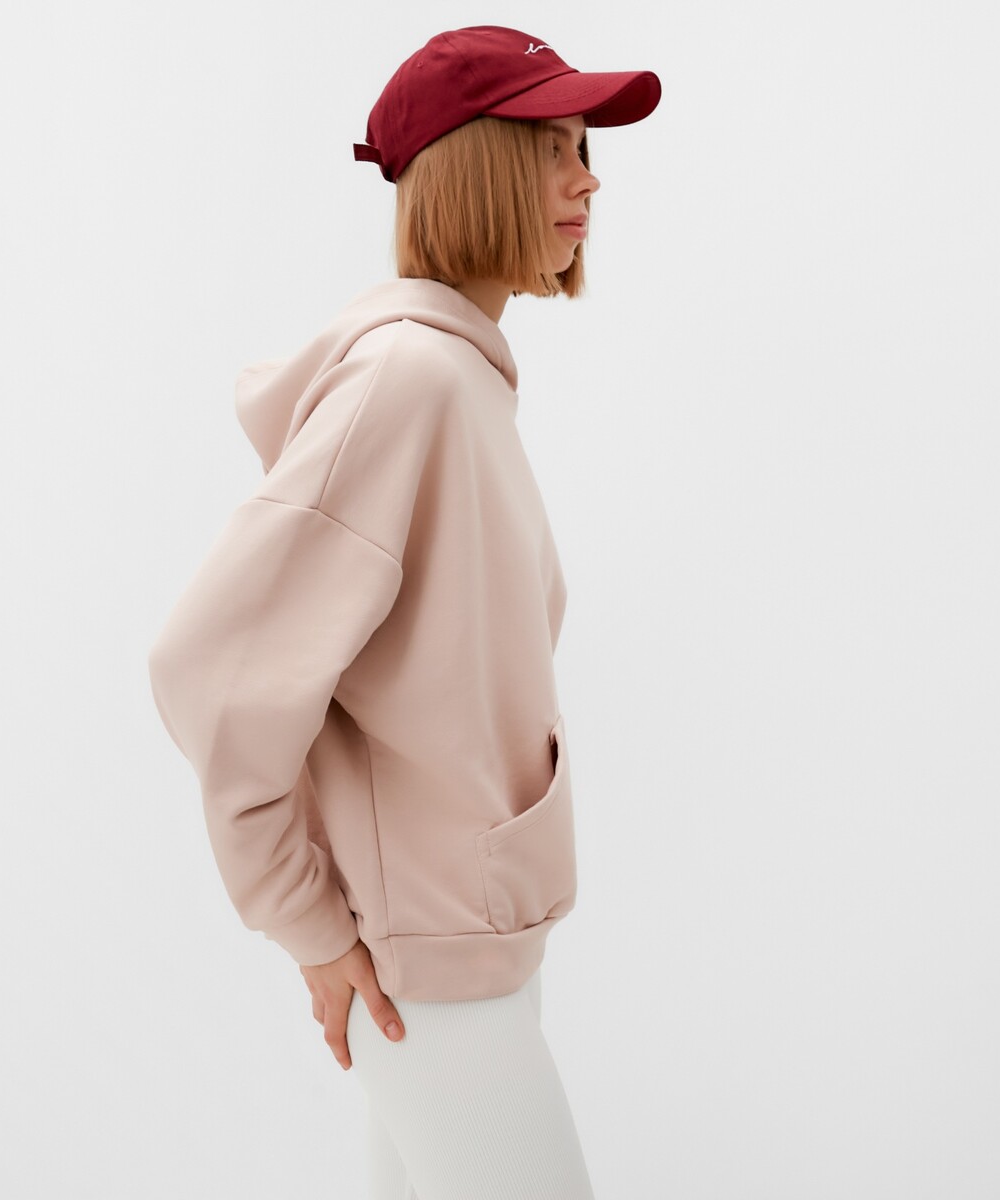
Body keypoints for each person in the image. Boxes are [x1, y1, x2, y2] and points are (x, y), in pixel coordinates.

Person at [147, 24, 660, 1200]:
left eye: (585, 148)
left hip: (469, 944)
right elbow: (208, 665)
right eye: (551, 148)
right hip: (427, 966)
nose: (588, 179)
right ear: (473, 167)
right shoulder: (408, 383)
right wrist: (309, 924)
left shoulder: (459, 379)